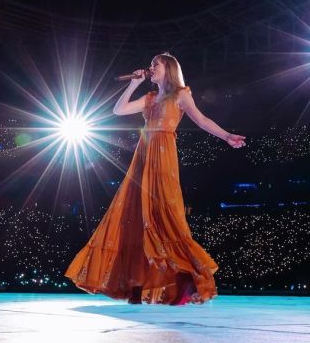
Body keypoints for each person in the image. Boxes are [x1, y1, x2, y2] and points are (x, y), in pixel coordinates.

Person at [64, 52, 245, 305]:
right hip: (143, 156)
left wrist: (226, 136)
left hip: (163, 156)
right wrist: (134, 83)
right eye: (150, 65)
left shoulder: (181, 94)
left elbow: (201, 120)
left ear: (168, 68)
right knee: (136, 216)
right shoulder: (149, 98)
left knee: (166, 214)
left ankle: (188, 276)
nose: (150, 68)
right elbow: (119, 110)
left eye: (155, 65)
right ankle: (137, 285)